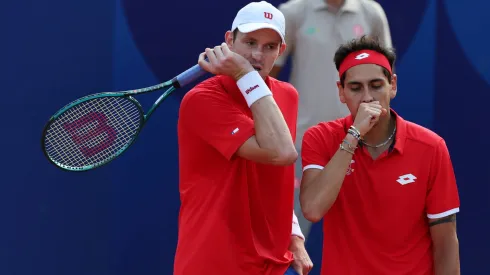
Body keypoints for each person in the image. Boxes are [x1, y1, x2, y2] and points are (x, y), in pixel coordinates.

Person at [300, 36, 461, 274]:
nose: (367, 97)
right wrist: (354, 135)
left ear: (392, 85)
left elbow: (446, 243)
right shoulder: (320, 138)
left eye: (376, 85)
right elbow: (312, 209)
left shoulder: (431, 147)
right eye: (355, 88)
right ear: (341, 92)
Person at [174, 2, 313, 275]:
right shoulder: (202, 100)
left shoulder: (287, 96)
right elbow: (282, 152)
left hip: (271, 263)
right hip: (213, 262)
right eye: (250, 42)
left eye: (270, 47)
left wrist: (293, 235)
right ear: (229, 40)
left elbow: (276, 175)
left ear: (281, 51)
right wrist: (245, 74)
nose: (257, 55)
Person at [270, 0, 393, 234]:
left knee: (367, 230)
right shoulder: (293, 13)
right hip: (302, 143)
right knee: (287, 234)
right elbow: (269, 76)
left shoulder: (371, 13)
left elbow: (385, 80)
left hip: (363, 143)